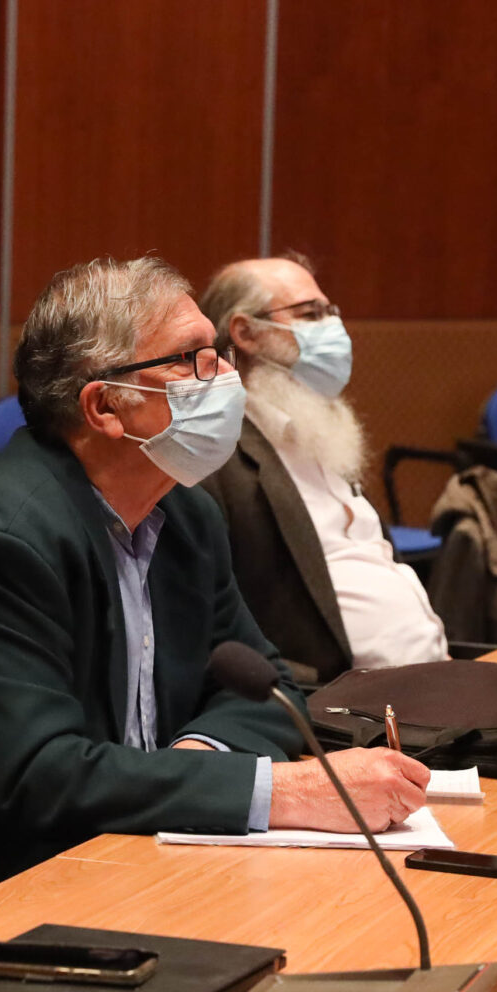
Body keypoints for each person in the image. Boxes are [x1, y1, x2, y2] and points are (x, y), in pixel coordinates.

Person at [0, 257, 430, 892]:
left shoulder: (187, 516)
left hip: (133, 860)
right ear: (105, 407)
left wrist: (196, 767)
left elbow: (268, 690)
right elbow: (43, 778)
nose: (226, 377)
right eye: (192, 359)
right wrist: (282, 791)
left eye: (219, 353)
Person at [197, 254, 447, 682]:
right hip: (340, 701)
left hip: (435, 677)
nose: (334, 327)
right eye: (311, 314)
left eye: (331, 312)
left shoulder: (324, 431)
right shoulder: (217, 457)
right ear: (246, 333)